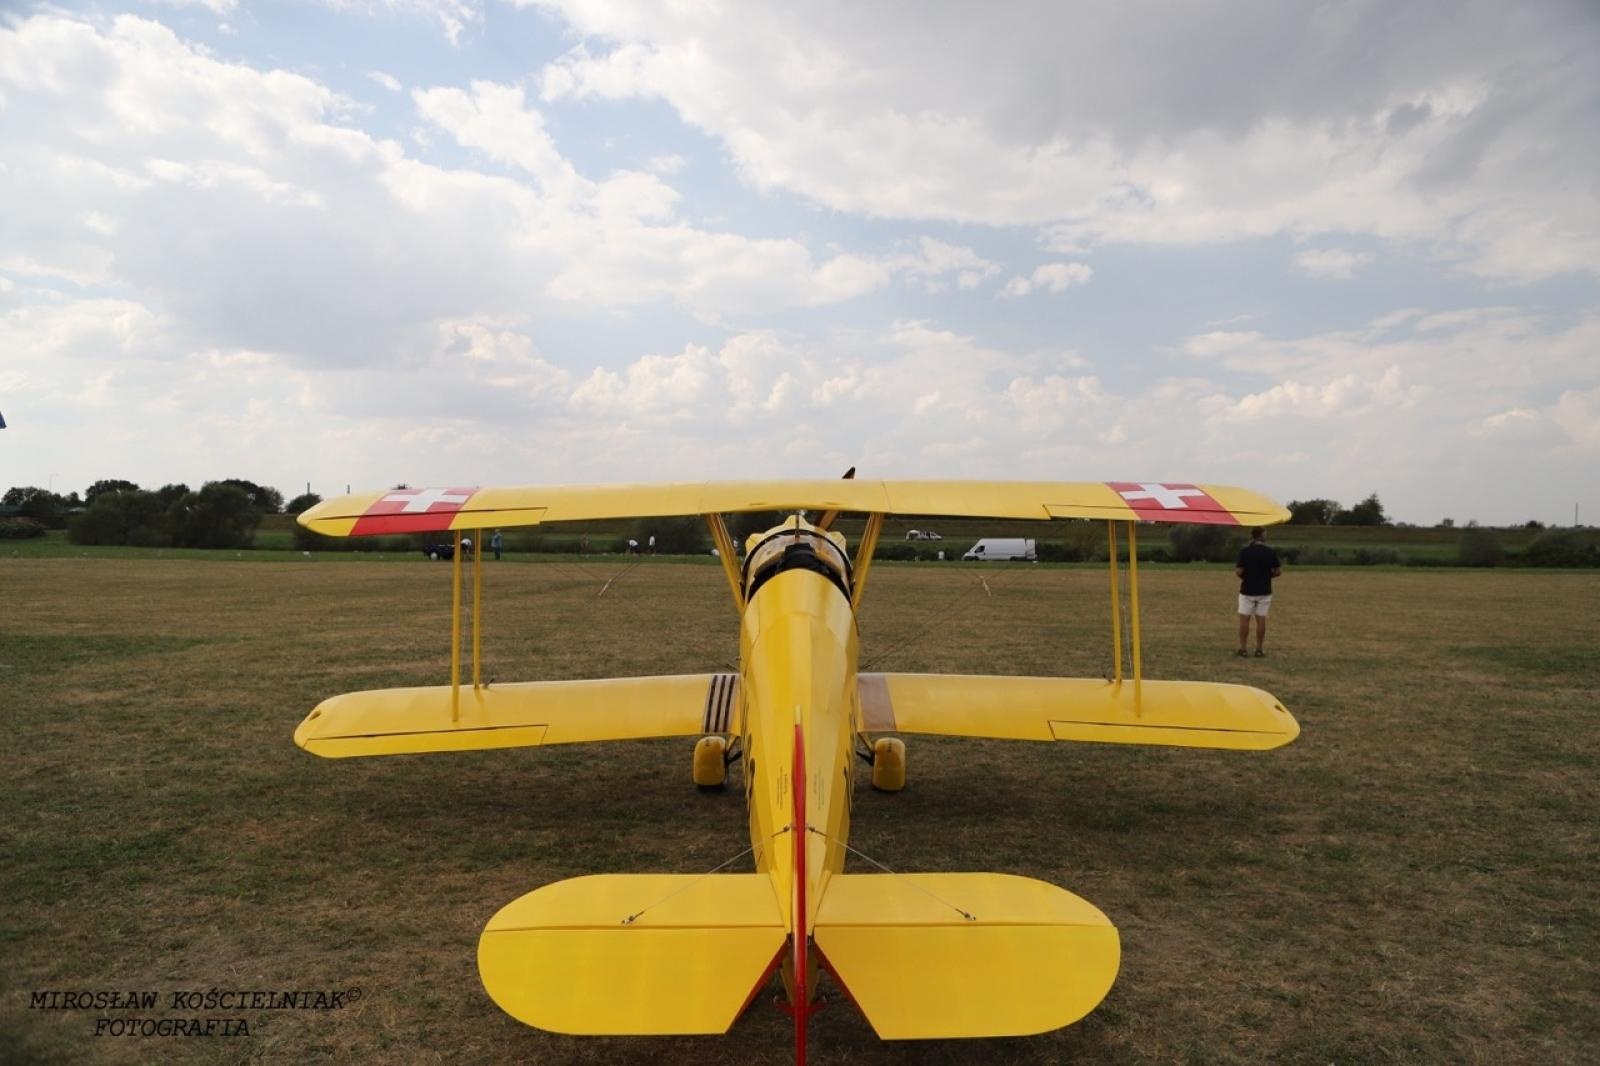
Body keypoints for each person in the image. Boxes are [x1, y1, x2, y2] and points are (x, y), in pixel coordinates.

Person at [1235, 526, 1282, 657]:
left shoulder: (1245, 551)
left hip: (1247, 590)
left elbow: (1239, 571)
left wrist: (1247, 577)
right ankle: (1259, 649)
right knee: (1261, 619)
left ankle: (1243, 648)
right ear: (1261, 535)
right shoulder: (1270, 552)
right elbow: (1278, 571)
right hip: (1264, 590)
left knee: (1244, 619)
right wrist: (1267, 576)